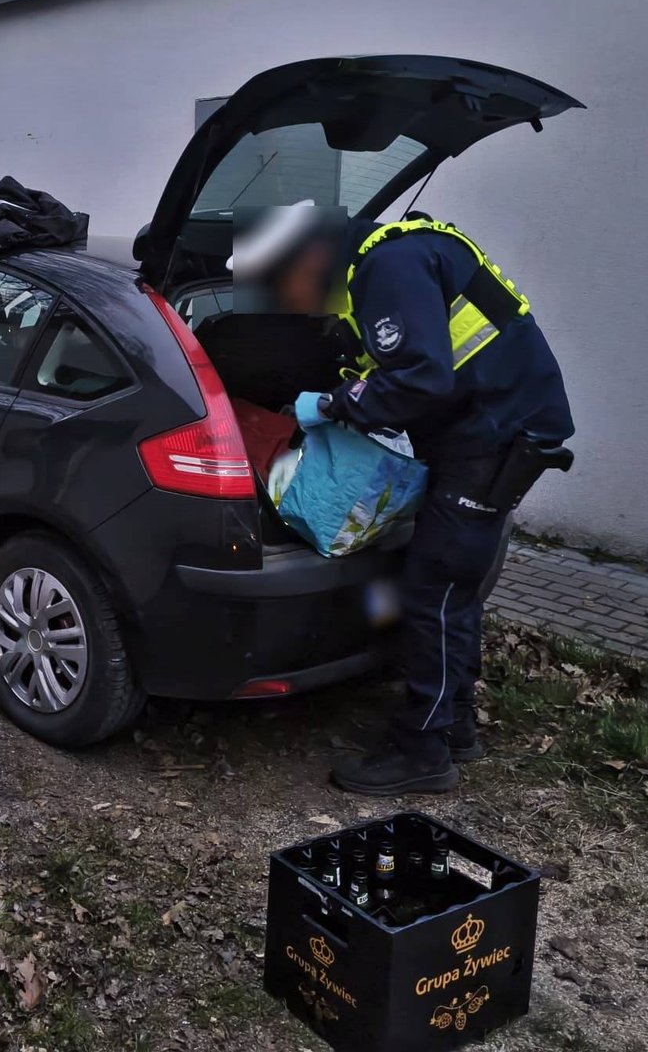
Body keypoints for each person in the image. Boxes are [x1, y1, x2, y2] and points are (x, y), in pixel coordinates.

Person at [230, 202, 573, 795]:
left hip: (495, 438)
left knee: (434, 590)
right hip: (490, 430)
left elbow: (420, 377)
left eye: (294, 288)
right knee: (451, 589)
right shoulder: (392, 256)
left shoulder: (388, 266)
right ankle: (456, 727)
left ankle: (423, 752)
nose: (301, 305)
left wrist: (332, 407)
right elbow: (399, 366)